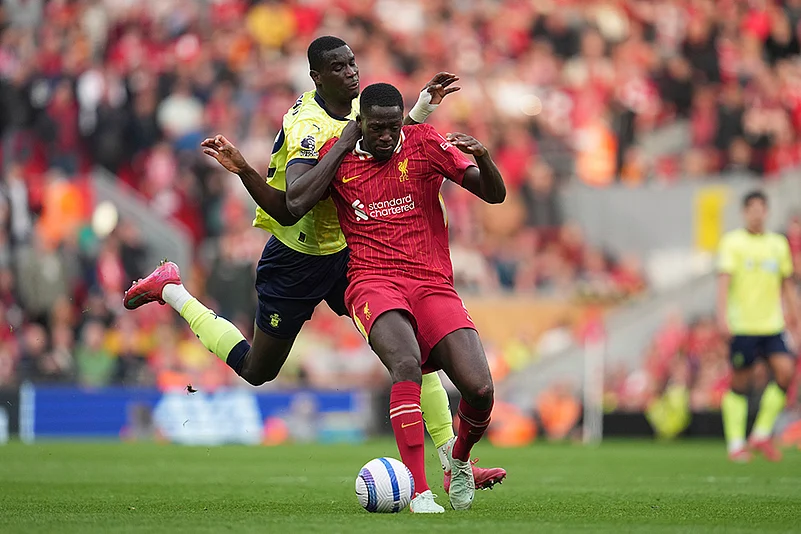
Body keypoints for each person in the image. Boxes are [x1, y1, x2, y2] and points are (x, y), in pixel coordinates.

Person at [123, 36, 506, 489]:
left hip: (352, 250)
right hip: (298, 255)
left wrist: (422, 106)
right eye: (339, 67)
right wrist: (260, 165)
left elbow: (392, 136)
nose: (351, 72)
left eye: (353, 63)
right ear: (317, 77)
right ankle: (172, 289)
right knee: (257, 371)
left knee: (413, 351)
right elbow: (294, 205)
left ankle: (453, 467)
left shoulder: (358, 109)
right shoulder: (308, 124)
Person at [289, 82, 506, 512]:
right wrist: (340, 147)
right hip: (372, 281)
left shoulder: (424, 142)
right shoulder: (340, 154)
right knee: (405, 362)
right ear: (361, 125)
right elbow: (295, 201)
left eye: (394, 127)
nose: (387, 136)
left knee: (479, 389)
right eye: (377, 129)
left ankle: (458, 462)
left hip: (432, 282)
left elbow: (493, 193)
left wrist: (482, 156)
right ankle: (419, 492)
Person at [717, 190, 801, 462]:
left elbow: (787, 284)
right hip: (743, 325)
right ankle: (735, 444)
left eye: (761, 208)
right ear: (744, 212)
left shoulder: (778, 244)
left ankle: (761, 433)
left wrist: (795, 317)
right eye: (751, 208)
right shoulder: (733, 242)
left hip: (771, 325)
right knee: (740, 383)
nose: (756, 213)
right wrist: (722, 317)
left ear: (767, 212)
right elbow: (724, 282)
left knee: (786, 372)